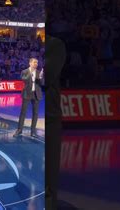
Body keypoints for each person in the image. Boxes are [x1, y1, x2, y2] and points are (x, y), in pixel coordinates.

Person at [45, 36, 67, 210]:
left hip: (50, 115)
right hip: (34, 106)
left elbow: (50, 74)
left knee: (50, 171)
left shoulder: (55, 44)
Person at [13, 58, 44, 138]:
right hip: (27, 94)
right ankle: (19, 130)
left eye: (37, 63)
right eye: (34, 62)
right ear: (30, 63)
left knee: (35, 113)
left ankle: (33, 131)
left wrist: (40, 78)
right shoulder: (25, 71)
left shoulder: (39, 72)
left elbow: (42, 83)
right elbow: (24, 79)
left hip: (36, 94)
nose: (36, 64)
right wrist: (31, 74)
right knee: (23, 112)